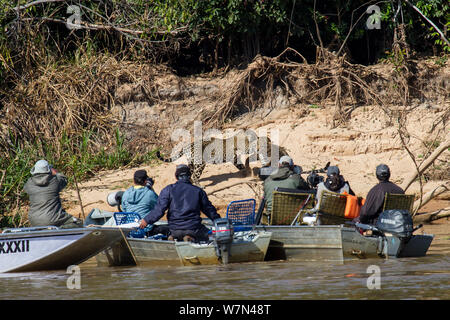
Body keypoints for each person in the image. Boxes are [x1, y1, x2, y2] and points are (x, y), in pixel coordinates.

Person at [138, 164, 220, 242]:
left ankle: (173, 237)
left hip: (174, 229)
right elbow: (209, 210)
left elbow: (159, 210)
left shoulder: (168, 190)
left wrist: (146, 220)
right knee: (210, 234)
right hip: (194, 229)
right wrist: (219, 221)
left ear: (176, 177)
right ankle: (189, 237)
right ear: (189, 176)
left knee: (167, 230)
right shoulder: (198, 191)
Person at [24, 159, 83, 229]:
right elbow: (64, 179)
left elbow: (26, 189)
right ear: (48, 170)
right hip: (52, 218)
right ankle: (58, 230)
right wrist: (55, 173)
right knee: (78, 223)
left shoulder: (29, 183)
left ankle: (48, 231)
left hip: (34, 220)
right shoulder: (55, 180)